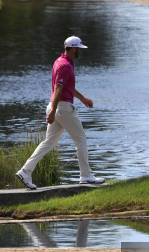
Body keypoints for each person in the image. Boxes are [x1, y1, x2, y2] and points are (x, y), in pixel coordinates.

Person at [16, 36, 105, 190]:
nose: (79, 52)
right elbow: (58, 88)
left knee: (48, 143)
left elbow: (67, 87)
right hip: (63, 108)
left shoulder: (60, 61)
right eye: (78, 49)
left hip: (56, 106)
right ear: (72, 49)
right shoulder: (65, 66)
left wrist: (82, 99)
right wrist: (52, 112)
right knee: (81, 140)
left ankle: (25, 171)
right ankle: (86, 176)